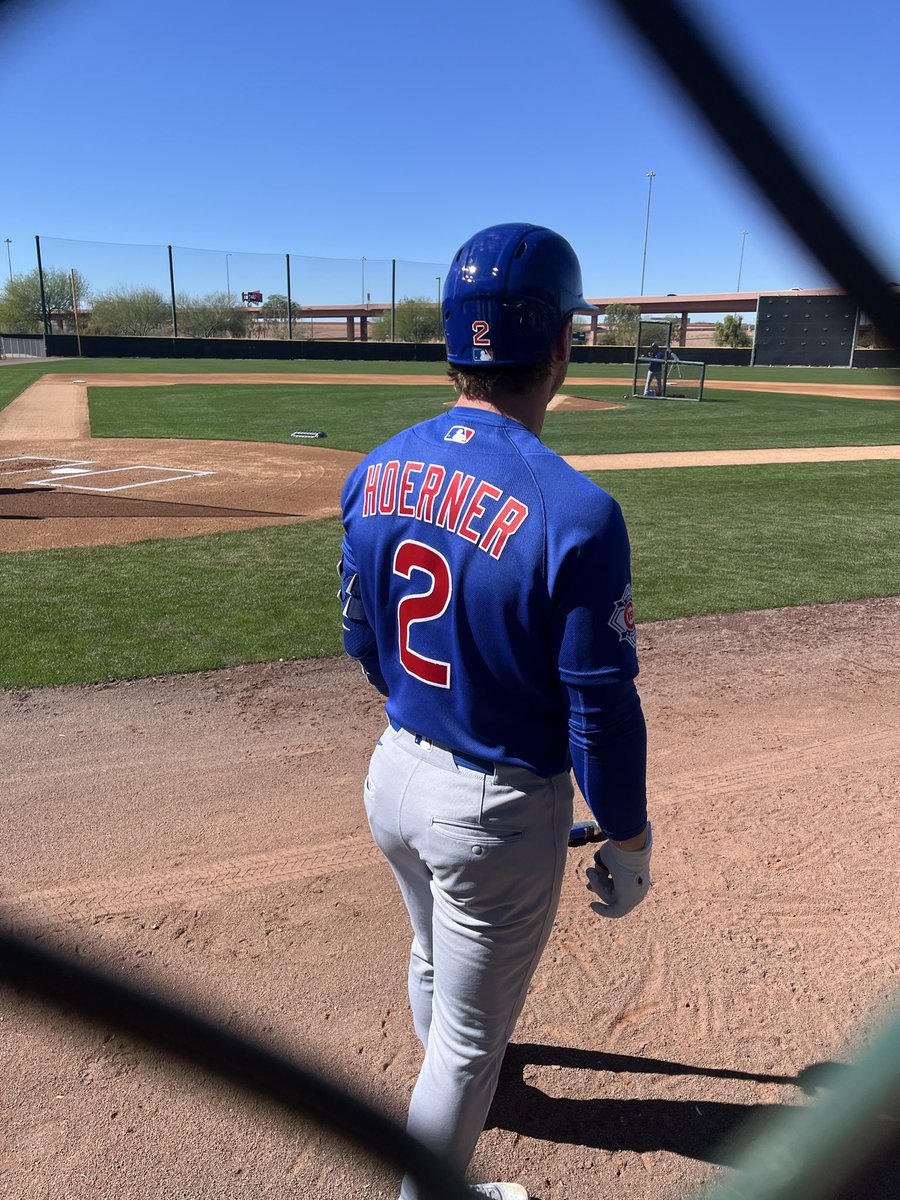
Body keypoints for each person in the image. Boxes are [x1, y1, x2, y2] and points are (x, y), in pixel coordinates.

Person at [339, 223, 652, 1200]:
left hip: (392, 774)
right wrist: (631, 840)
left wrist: (428, 710)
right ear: (561, 346)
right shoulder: (578, 511)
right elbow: (599, 710)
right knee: (470, 1052)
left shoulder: (376, 469)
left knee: (432, 952)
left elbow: (361, 639)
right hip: (497, 812)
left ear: (452, 339)